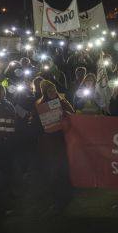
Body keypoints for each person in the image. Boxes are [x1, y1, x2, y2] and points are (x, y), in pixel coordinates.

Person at [35, 80, 75, 210]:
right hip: (49, 143)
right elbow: (36, 124)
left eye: (53, 90)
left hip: (63, 139)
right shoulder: (40, 106)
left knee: (64, 167)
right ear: (45, 93)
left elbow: (73, 115)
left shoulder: (63, 102)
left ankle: (67, 194)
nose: (52, 93)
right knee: (54, 170)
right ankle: (56, 196)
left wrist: (66, 115)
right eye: (49, 91)